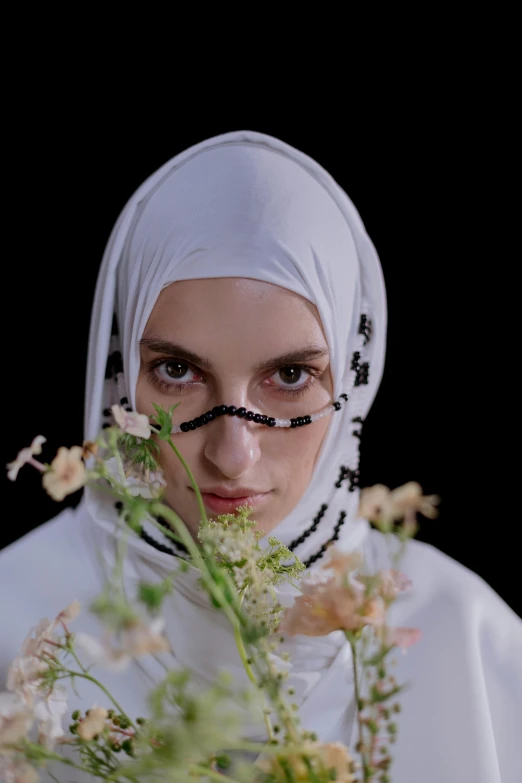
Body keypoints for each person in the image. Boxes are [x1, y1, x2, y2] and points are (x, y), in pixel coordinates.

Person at [1, 130, 521, 782]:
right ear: (121, 371)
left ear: (352, 381)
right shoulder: (14, 621)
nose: (231, 452)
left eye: (292, 376)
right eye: (177, 370)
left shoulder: (467, 643)